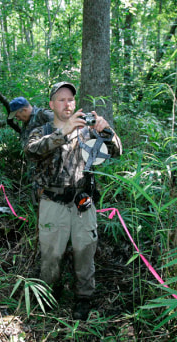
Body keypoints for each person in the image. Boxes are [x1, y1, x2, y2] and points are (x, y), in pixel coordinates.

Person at [24, 81, 123, 320]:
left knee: (85, 252)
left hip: (83, 202)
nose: (67, 104)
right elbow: (32, 151)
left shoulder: (87, 130)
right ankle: (49, 294)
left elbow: (116, 151)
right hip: (52, 203)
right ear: (51, 104)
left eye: (70, 99)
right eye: (61, 99)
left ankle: (83, 298)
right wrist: (63, 131)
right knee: (51, 255)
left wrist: (107, 131)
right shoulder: (44, 130)